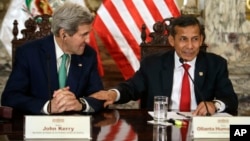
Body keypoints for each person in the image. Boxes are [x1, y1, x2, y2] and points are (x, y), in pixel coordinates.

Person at [91, 15, 238, 116]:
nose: (190, 46)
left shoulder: (215, 64)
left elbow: (230, 99)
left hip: (199, 128)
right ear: (172, 41)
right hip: (161, 127)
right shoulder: (153, 64)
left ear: (201, 40)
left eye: (195, 39)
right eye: (183, 39)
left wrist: (214, 105)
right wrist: (113, 94)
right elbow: (132, 88)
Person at [1, 2, 104, 114]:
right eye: (83, 34)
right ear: (64, 34)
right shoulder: (28, 53)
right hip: (38, 126)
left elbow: (99, 96)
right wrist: (48, 106)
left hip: (76, 126)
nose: (88, 40)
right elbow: (10, 97)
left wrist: (80, 104)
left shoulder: (88, 55)